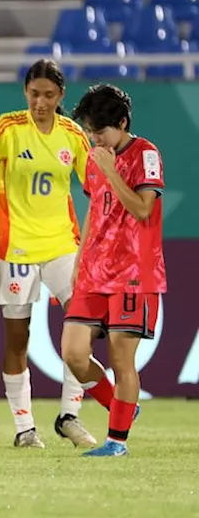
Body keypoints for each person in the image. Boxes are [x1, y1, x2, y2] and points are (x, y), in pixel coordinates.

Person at [0, 59, 98, 449]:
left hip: (63, 246)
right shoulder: (7, 128)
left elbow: (95, 188)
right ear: (25, 92)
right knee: (17, 340)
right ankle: (25, 428)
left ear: (61, 96)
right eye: (33, 93)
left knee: (83, 331)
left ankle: (69, 416)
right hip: (17, 250)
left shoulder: (74, 135)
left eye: (48, 95)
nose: (39, 102)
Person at [63, 84, 164, 457]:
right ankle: (122, 407)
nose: (93, 138)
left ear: (121, 123)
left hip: (133, 271)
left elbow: (142, 209)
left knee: (122, 360)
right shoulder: (94, 157)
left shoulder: (146, 154)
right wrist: (79, 258)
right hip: (94, 269)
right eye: (89, 131)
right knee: (73, 353)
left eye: (99, 131)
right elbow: (95, 210)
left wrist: (112, 169)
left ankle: (116, 442)